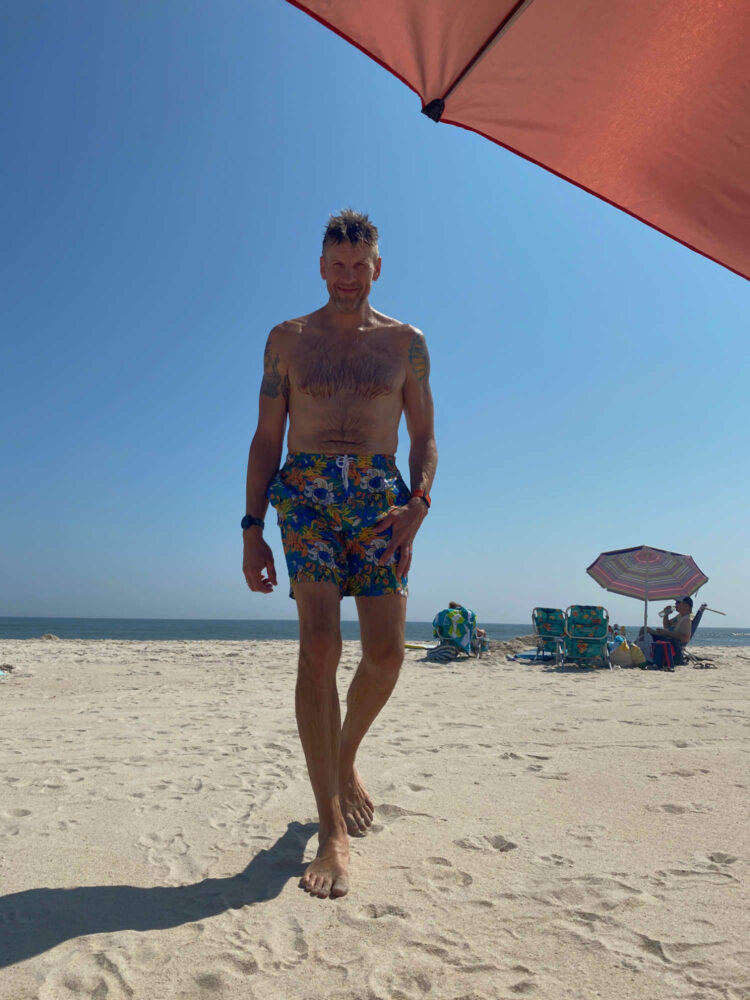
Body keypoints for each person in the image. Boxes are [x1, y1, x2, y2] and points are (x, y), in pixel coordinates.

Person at [242, 210, 437, 900]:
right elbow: (267, 438)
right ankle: (331, 830)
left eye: (362, 265)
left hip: (383, 497)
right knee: (319, 645)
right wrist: (251, 527)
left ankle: (345, 755)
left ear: (377, 266)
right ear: (321, 267)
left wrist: (419, 502)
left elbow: (424, 436)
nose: (350, 276)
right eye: (338, 265)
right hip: (308, 494)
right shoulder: (287, 341)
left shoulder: (407, 343)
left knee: (387, 654)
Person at [646, 596, 703, 663]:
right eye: (676, 602)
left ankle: (643, 654)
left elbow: (685, 638)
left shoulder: (687, 619)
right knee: (645, 629)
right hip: (668, 637)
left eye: (678, 602)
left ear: (686, 606)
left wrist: (666, 633)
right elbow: (667, 626)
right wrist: (666, 615)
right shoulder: (680, 616)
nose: (675, 604)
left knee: (644, 631)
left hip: (671, 641)